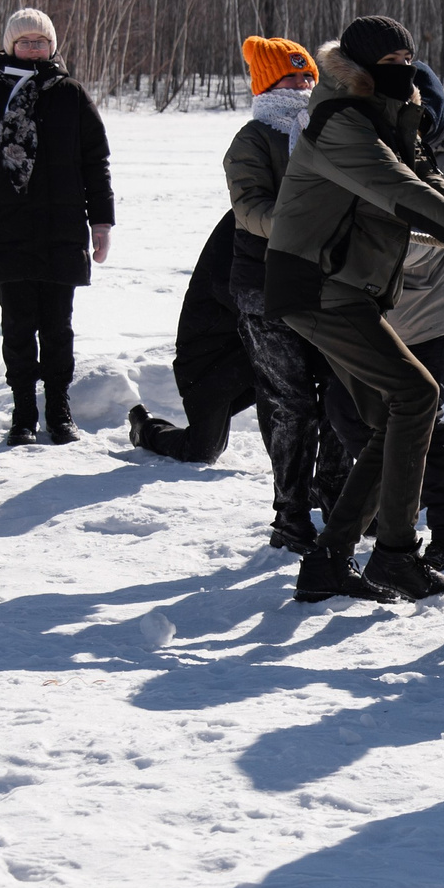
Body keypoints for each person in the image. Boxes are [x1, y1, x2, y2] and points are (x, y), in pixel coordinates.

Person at [264, 16, 444, 604]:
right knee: (414, 395)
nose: (404, 68)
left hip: (350, 288)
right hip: (315, 286)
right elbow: (398, 188)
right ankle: (393, 555)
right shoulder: (339, 121)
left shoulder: (392, 116)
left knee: (394, 416)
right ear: (360, 69)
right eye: (389, 59)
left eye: (408, 56)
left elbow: (428, 177)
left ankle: (329, 562)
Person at [133, 37, 355, 549]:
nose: (301, 87)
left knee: (340, 399)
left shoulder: (331, 133)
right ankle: (290, 512)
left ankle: (336, 496)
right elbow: (249, 209)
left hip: (328, 286)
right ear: (266, 85)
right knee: (289, 404)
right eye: (290, 79)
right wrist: (306, 225)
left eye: (307, 79)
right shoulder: (253, 140)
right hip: (265, 290)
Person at [0, 7, 114, 445]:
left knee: (58, 324)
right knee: (18, 324)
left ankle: (59, 409)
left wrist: (101, 221)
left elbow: (95, 162)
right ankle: (23, 410)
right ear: (9, 46)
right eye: (23, 41)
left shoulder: (71, 95)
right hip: (7, 229)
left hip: (62, 227)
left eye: (39, 41)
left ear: (52, 46)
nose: (32, 48)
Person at [376, 49, 444, 570]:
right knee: (372, 413)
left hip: (431, 312)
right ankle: (397, 505)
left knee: (424, 419)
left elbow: (431, 237)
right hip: (389, 305)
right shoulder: (390, 148)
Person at [125, 213, 257, 470]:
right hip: (211, 352)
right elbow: (227, 287)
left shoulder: (298, 213)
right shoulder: (242, 217)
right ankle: (146, 430)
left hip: (253, 344)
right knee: (203, 450)